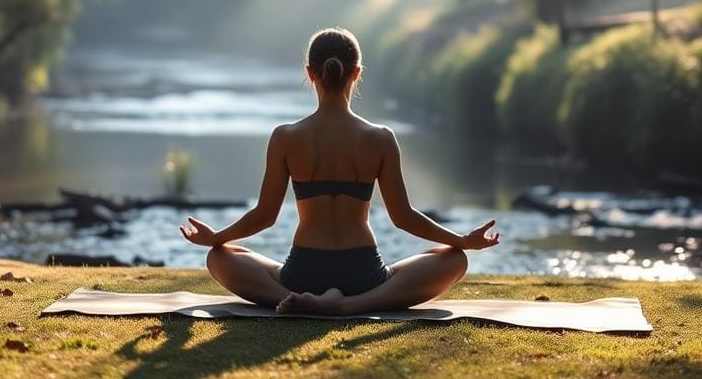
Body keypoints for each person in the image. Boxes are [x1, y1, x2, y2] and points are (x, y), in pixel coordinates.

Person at [179, 26, 500, 315]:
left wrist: (217, 237)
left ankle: (292, 297)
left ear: (310, 72)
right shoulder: (380, 138)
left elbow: (265, 215)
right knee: (455, 260)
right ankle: (353, 305)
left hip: (303, 271)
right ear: (357, 73)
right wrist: (460, 240)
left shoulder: (286, 137)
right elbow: (403, 217)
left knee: (219, 257)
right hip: (363, 274)